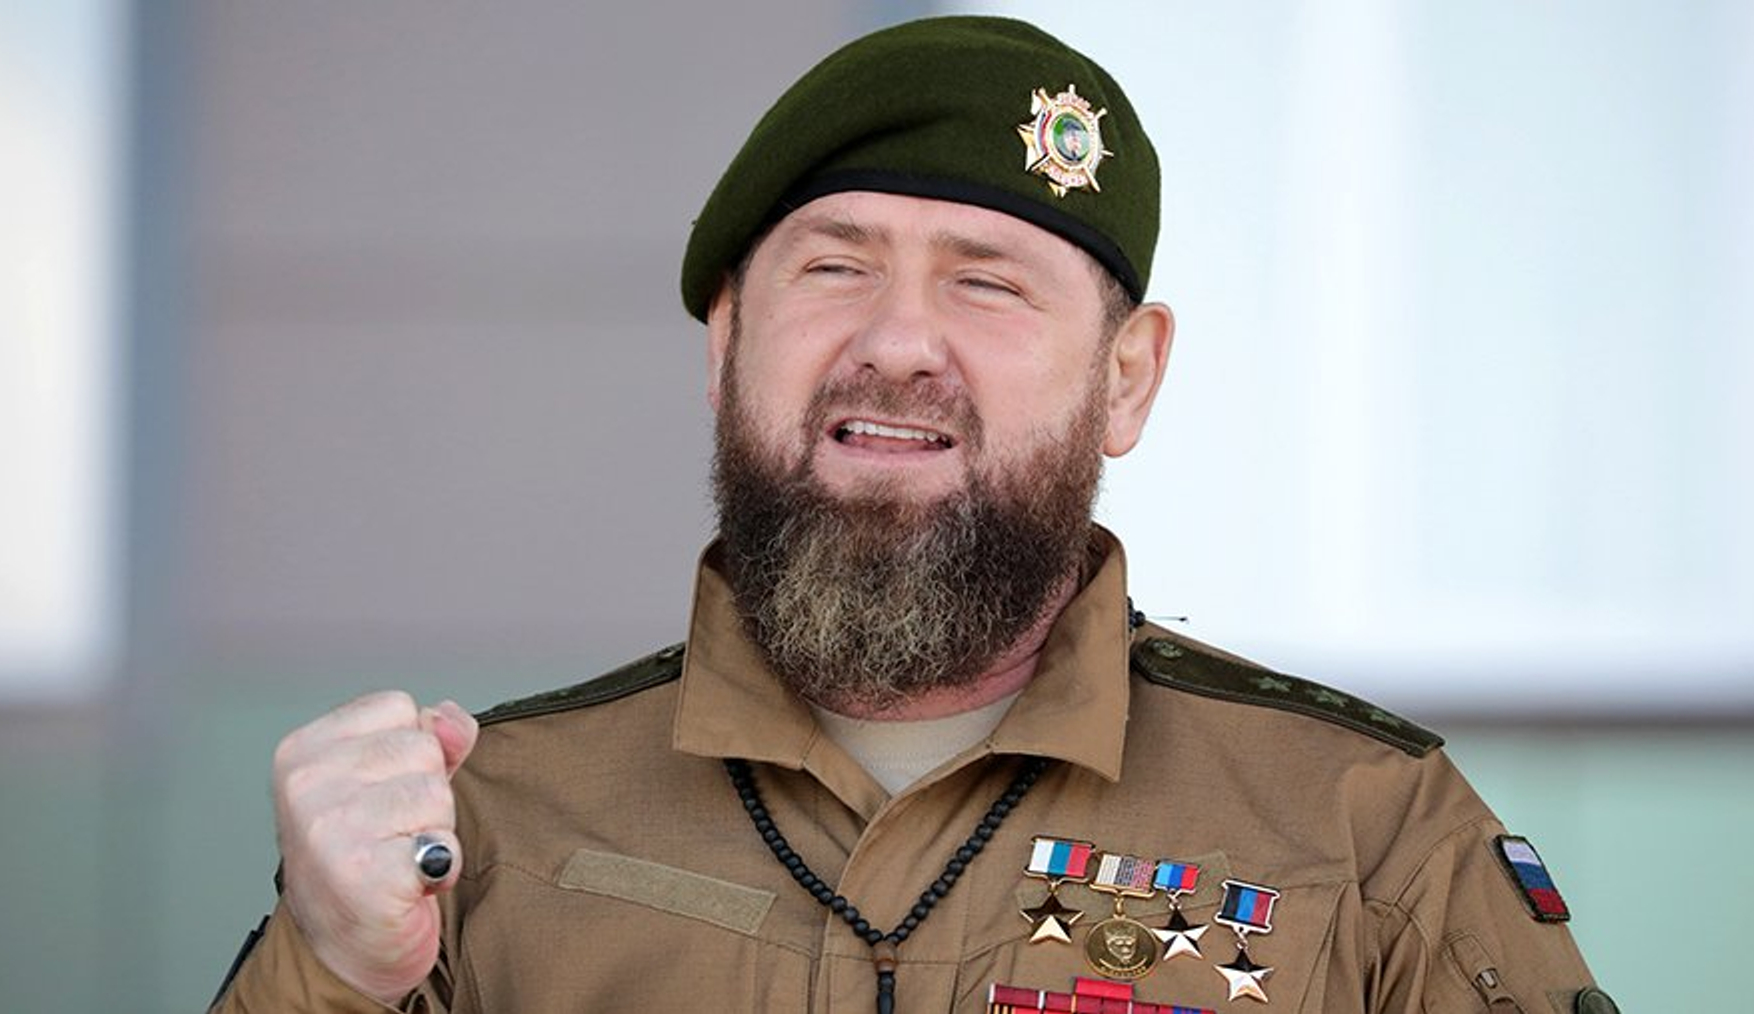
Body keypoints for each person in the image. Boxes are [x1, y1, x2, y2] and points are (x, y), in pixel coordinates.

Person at [209, 15, 1617, 1014]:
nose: (895, 341)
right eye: (834, 267)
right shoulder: (484, 832)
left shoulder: (1369, 839)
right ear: (726, 346)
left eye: (987, 282)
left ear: (1125, 380)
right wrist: (330, 973)